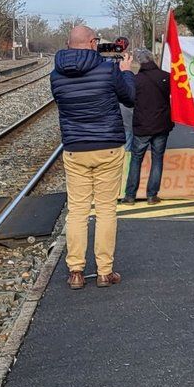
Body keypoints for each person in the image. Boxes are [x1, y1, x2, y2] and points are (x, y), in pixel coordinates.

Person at [50, 25, 136, 290]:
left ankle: (75, 271)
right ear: (92, 42)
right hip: (108, 145)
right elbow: (130, 99)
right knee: (106, 209)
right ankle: (104, 272)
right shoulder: (109, 70)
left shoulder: (55, 76)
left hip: (75, 147)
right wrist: (126, 74)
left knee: (77, 210)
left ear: (68, 43)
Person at [120, 49, 173, 206]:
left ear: (139, 62)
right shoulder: (166, 77)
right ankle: (152, 196)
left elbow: (129, 101)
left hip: (142, 126)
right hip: (162, 125)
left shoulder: (136, 80)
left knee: (136, 159)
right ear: (152, 59)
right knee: (157, 159)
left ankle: (130, 196)